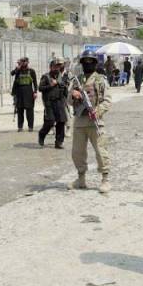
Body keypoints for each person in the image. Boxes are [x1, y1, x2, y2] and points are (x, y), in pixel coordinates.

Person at [68, 50, 112, 194]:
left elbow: (107, 100)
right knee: (77, 152)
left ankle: (105, 179)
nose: (88, 64)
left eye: (90, 61)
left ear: (95, 63)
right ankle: (81, 178)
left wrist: (97, 111)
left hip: (95, 122)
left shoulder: (100, 80)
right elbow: (68, 101)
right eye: (85, 61)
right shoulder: (77, 80)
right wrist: (73, 95)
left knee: (101, 151)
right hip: (80, 121)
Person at [38, 58, 68, 149]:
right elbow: (40, 88)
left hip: (59, 102)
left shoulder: (61, 77)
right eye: (54, 67)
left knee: (61, 121)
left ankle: (59, 142)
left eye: (58, 67)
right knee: (50, 121)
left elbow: (65, 88)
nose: (56, 68)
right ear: (50, 67)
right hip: (49, 103)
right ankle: (42, 134)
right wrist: (51, 85)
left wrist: (61, 84)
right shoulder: (45, 76)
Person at [11, 57, 38, 132]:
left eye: (24, 62)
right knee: (20, 110)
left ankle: (30, 127)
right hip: (19, 93)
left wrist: (35, 92)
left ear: (27, 62)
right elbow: (12, 73)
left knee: (30, 110)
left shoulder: (31, 71)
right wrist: (17, 68)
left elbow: (35, 82)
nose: (23, 63)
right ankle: (20, 127)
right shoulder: (18, 71)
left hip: (29, 92)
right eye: (22, 62)